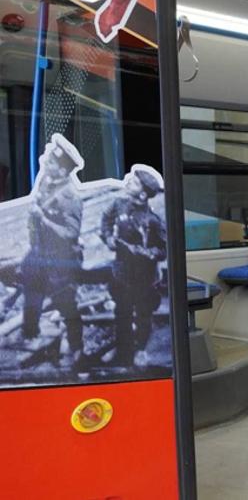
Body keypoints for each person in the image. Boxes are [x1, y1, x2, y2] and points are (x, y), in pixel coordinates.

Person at [19, 134, 84, 363]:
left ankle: (76, 350)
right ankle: (30, 338)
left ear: (63, 170)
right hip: (39, 254)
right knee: (31, 297)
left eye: (51, 162)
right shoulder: (45, 180)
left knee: (66, 304)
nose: (45, 162)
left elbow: (71, 233)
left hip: (61, 260)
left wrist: (43, 220)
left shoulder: (70, 196)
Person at [100, 166, 166, 366]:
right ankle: (123, 351)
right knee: (122, 312)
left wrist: (148, 253)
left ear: (143, 194)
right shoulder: (118, 205)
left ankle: (141, 351)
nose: (128, 181)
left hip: (144, 276)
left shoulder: (153, 221)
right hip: (122, 272)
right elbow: (106, 220)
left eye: (135, 182)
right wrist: (108, 238)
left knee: (143, 314)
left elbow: (163, 250)